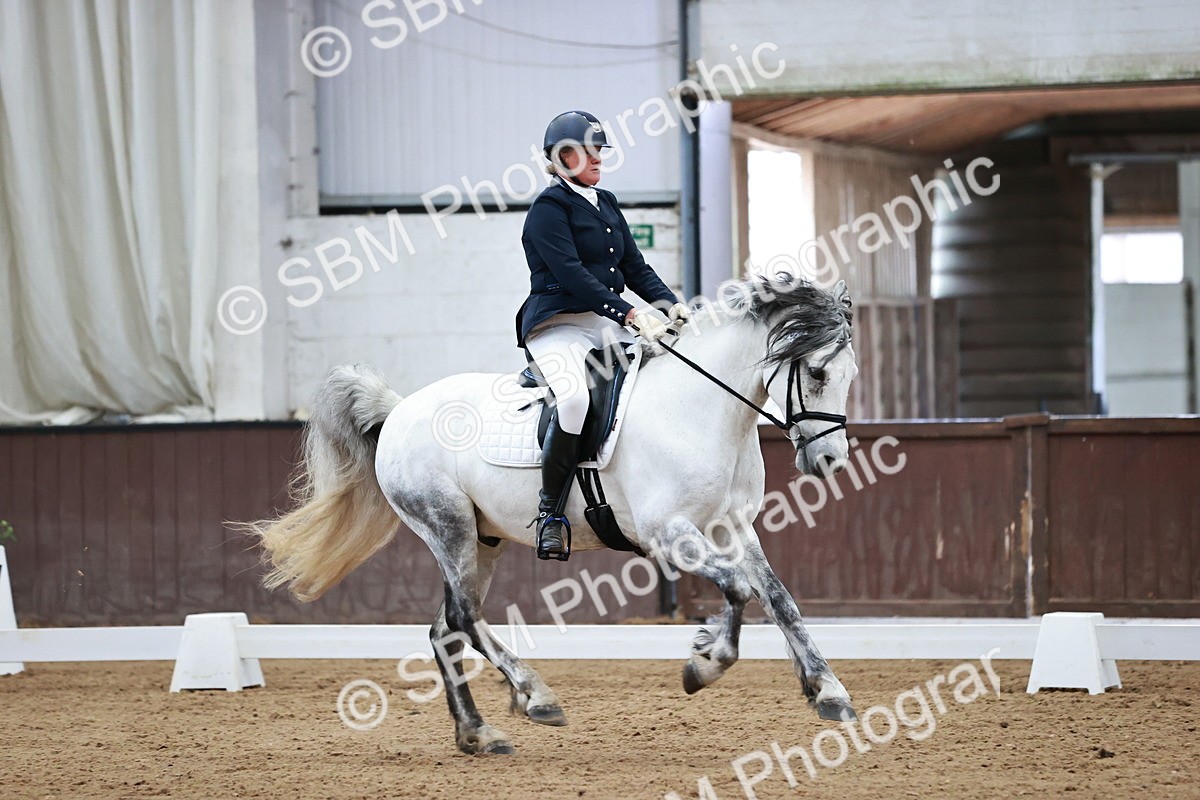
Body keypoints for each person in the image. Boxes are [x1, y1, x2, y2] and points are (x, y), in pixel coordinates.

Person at [515, 110, 690, 561]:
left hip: (605, 325)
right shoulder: (547, 210)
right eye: (589, 151)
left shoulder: (605, 201)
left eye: (600, 150)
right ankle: (550, 514)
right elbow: (573, 276)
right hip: (558, 326)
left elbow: (634, 267)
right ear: (562, 157)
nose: (598, 159)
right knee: (574, 400)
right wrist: (631, 313)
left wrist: (670, 304)